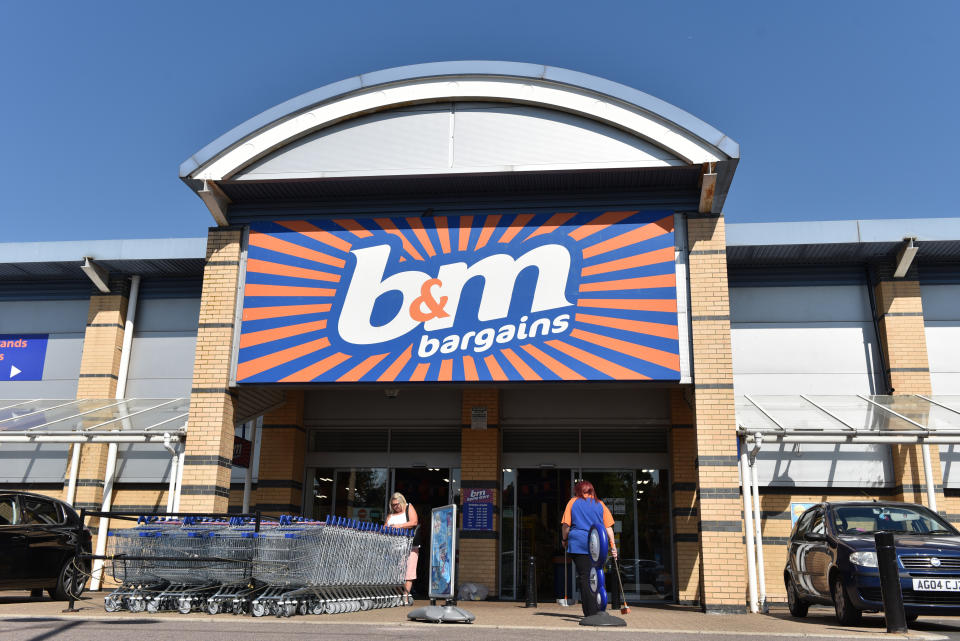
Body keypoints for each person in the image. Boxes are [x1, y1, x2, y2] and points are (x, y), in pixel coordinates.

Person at [560, 480, 617, 617]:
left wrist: (564, 540)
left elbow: (566, 526)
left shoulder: (573, 502)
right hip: (597, 544)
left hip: (578, 543)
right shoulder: (600, 504)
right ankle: (598, 608)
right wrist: (613, 546)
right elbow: (608, 528)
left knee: (585, 577)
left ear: (578, 491)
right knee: (596, 575)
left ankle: (590, 612)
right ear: (592, 490)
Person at [385, 492, 419, 603]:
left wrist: (399, 526)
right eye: (393, 505)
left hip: (409, 545)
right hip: (394, 548)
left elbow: (414, 522)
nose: (396, 507)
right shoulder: (390, 515)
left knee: (409, 570)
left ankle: (405, 595)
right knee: (396, 573)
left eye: (397, 504)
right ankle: (399, 594)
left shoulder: (409, 507)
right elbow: (384, 528)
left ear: (402, 502)